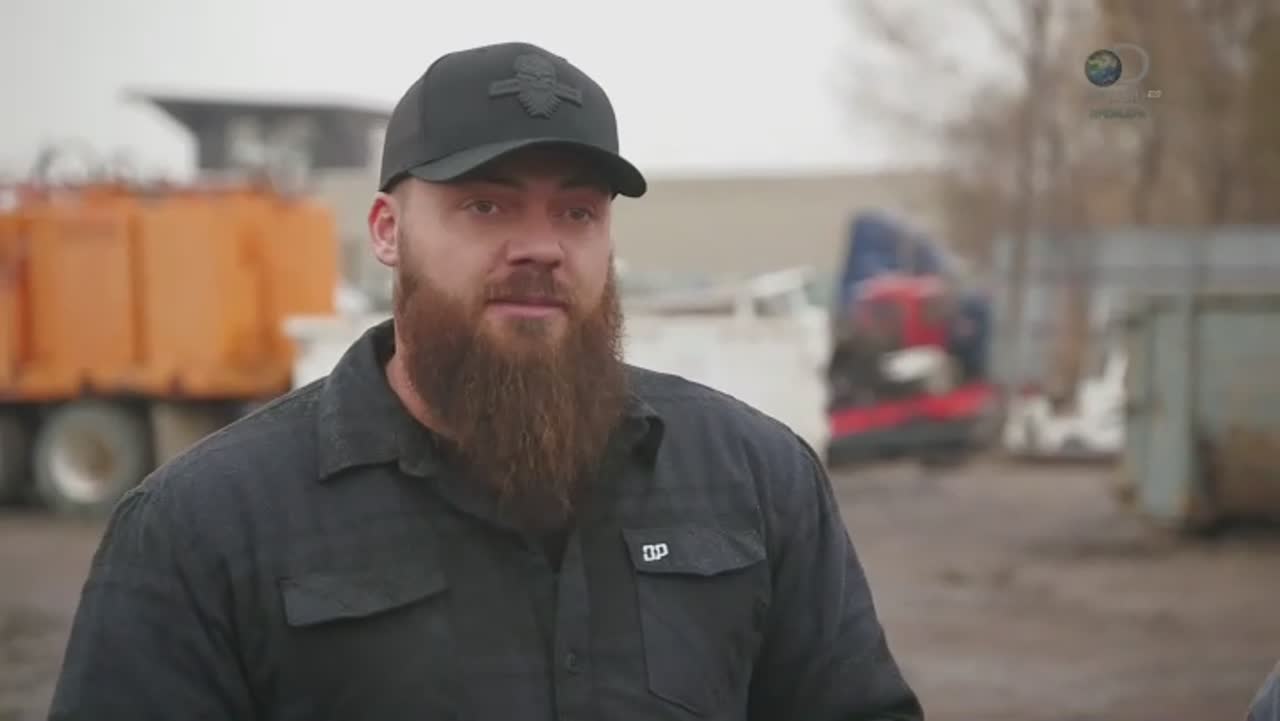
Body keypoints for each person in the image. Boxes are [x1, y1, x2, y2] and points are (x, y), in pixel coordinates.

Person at [47, 41, 923, 721]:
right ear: (387, 230)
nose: (541, 245)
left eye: (577, 211)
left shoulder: (757, 480)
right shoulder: (204, 528)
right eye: (485, 204)